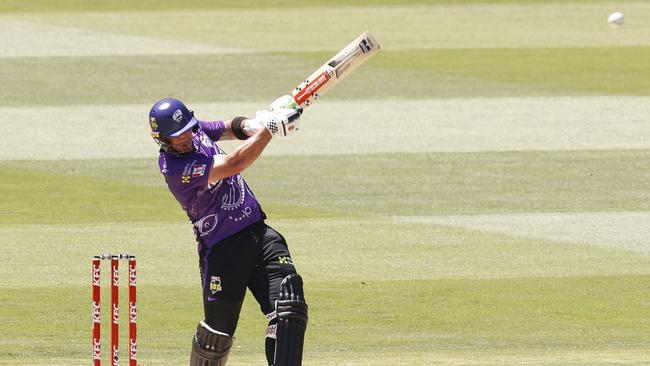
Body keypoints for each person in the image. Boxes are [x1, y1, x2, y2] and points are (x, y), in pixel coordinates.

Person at [148, 96, 308, 366]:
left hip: (260, 235)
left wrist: (254, 124)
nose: (186, 136)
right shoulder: (177, 169)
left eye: (187, 128)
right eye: (177, 135)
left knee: (288, 312)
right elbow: (234, 164)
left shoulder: (194, 130)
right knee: (216, 337)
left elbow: (228, 128)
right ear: (163, 139)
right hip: (223, 250)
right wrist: (269, 129)